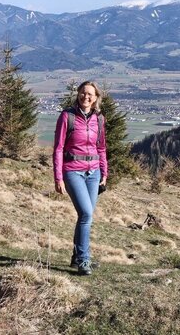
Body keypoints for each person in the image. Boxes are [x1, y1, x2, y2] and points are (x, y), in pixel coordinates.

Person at [53, 81, 108, 275]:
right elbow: (58, 148)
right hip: (72, 170)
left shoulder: (99, 119)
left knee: (85, 216)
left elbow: (101, 148)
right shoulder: (67, 116)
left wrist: (104, 172)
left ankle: (77, 258)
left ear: (96, 97)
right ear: (78, 94)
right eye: (83, 93)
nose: (87, 97)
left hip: (94, 173)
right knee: (86, 214)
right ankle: (84, 260)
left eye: (90, 94)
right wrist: (58, 178)